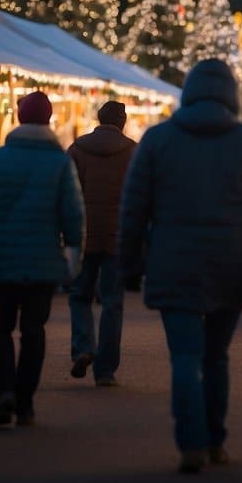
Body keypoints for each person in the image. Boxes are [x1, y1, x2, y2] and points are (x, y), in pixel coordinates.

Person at [119, 59, 242, 474]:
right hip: (232, 262)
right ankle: (215, 440)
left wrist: (129, 263)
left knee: (184, 357)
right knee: (216, 357)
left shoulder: (158, 140)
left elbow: (133, 209)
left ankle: (190, 443)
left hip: (172, 260)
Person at [0, 91, 85, 427]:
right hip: (43, 262)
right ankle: (25, 402)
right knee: (33, 330)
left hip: (1, 259)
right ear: (48, 120)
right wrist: (73, 254)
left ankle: (2, 393)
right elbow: (73, 213)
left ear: (20, 118)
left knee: (0, 326)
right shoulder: (59, 163)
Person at [66, 100, 136, 387]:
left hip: (84, 236)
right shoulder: (134, 151)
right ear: (122, 122)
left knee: (80, 296)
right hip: (118, 237)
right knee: (112, 302)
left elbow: (68, 194)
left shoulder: (77, 149)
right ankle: (105, 370)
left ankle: (84, 347)